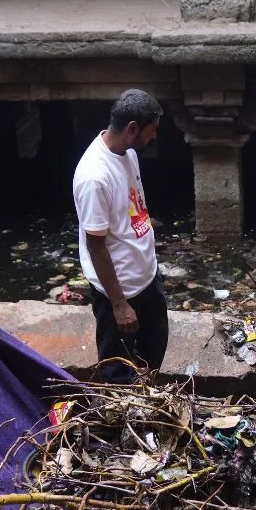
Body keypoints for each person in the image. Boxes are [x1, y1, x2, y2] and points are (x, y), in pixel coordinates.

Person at [73, 89, 168, 383]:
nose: (154, 138)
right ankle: (120, 421)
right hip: (118, 291)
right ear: (131, 129)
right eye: (151, 132)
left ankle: (145, 405)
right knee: (117, 371)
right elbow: (95, 244)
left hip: (146, 277)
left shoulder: (127, 154)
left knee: (153, 350)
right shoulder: (93, 176)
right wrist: (119, 304)